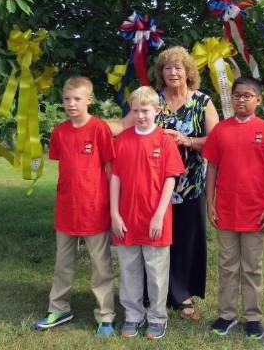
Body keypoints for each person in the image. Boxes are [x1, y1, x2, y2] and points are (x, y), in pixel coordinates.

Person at [109, 46, 219, 319]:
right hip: (152, 187)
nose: (173, 72)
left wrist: (187, 141)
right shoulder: (151, 100)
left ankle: (181, 295)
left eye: (179, 67)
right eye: (168, 68)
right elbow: (123, 127)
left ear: (188, 72)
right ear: (161, 73)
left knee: (184, 240)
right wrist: (87, 122)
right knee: (152, 240)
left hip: (189, 184)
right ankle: (150, 294)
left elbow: (217, 142)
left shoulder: (203, 102)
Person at [32, 76, 116, 336]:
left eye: (77, 99)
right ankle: (59, 308)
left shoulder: (100, 129)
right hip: (67, 209)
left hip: (95, 208)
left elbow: (110, 168)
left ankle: (105, 315)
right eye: (67, 99)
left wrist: (113, 206)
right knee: (62, 263)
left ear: (89, 100)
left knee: (100, 266)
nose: (71, 103)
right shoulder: (59, 132)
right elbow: (64, 166)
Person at [203, 76, 264, 340]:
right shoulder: (220, 130)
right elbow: (212, 167)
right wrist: (210, 202)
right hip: (225, 210)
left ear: (258, 100)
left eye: (247, 95)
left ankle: (253, 317)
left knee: (251, 267)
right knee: (227, 266)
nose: (241, 99)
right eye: (237, 95)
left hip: (255, 211)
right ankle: (226, 314)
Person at [110, 86, 186, 340]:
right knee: (129, 269)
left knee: (156, 272)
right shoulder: (123, 140)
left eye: (146, 110)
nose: (141, 116)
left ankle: (157, 317)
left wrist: (158, 214)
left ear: (157, 110)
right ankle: (133, 315)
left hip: (156, 218)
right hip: (126, 217)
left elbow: (170, 180)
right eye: (136, 111)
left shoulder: (165, 141)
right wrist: (114, 213)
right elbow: (116, 178)